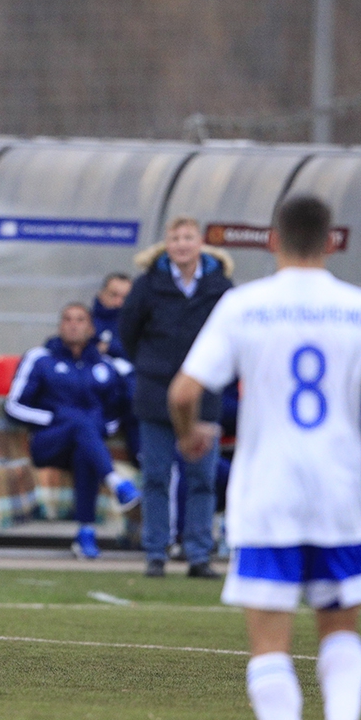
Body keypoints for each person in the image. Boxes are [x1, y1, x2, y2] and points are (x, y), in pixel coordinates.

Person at [170, 194, 361, 720]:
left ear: (272, 241)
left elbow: (184, 391)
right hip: (336, 492)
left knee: (269, 645)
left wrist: (190, 433)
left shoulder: (244, 306)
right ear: (332, 242)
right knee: (339, 630)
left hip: (267, 494)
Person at [119, 216, 232, 578]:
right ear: (166, 244)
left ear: (200, 242)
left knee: (201, 477)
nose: (181, 244)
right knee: (155, 476)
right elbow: (129, 333)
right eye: (174, 238)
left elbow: (230, 336)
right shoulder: (147, 284)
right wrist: (154, 366)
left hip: (204, 396)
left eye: (188, 237)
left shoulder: (220, 286)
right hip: (155, 396)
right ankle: (156, 551)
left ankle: (198, 553)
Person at [6, 302, 139, 558]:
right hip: (48, 442)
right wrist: (57, 418)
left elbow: (114, 412)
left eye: (80, 320)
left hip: (86, 445)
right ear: (59, 326)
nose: (73, 324)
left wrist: (98, 425)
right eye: (68, 319)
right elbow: (14, 406)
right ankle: (116, 483)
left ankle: (85, 535)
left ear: (91, 328)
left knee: (84, 447)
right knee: (80, 423)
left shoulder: (106, 365)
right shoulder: (40, 358)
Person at [91, 272, 131, 358]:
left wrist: (110, 347)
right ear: (101, 294)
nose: (119, 302)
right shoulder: (86, 322)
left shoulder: (140, 325)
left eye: (125, 297)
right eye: (113, 295)